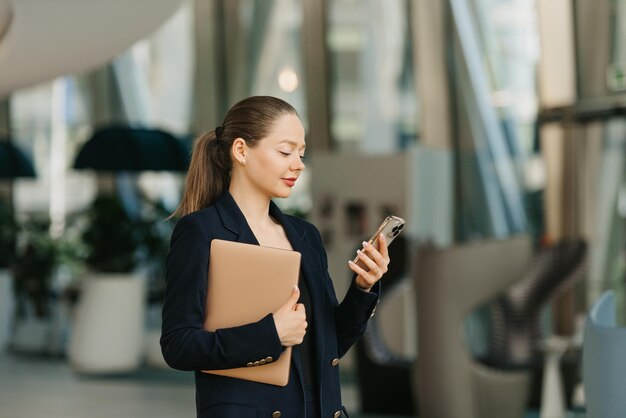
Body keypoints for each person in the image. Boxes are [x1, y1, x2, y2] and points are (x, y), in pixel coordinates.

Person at [161, 96, 390, 418]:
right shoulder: (202, 231)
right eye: (285, 151)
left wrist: (364, 288)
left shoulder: (305, 235)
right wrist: (271, 334)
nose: (298, 164)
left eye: (301, 153)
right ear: (241, 151)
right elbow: (178, 346)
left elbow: (330, 345)